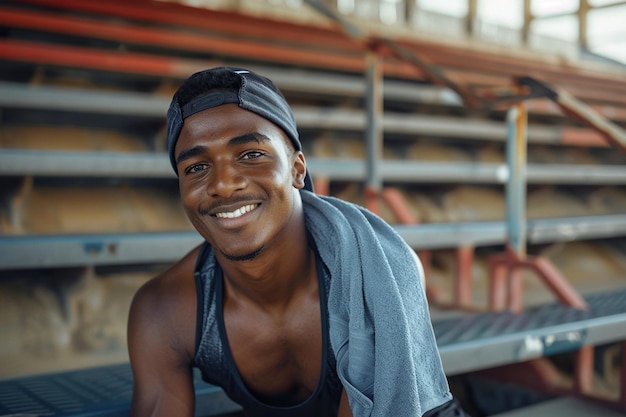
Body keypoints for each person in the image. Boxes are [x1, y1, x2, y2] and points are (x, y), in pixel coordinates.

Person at [128, 66, 468, 417]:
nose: (224, 185)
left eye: (250, 155)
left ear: (297, 169)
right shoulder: (165, 311)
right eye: (196, 167)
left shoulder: (377, 270)